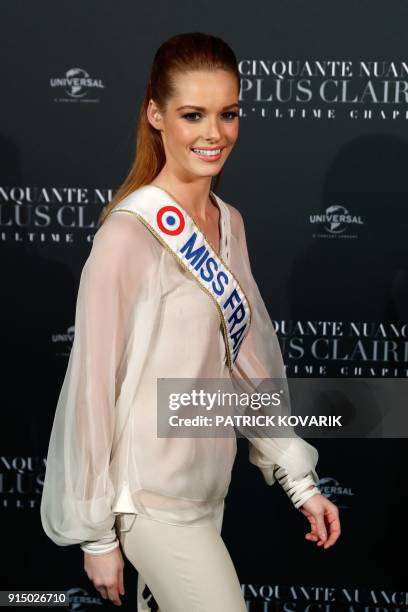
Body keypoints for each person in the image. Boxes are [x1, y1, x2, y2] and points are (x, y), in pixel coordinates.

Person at [40, 32, 341, 612]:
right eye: (193, 114)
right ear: (155, 114)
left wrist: (300, 481)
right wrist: (97, 534)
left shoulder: (229, 224)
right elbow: (91, 389)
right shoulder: (127, 235)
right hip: (149, 500)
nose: (214, 134)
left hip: (205, 490)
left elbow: (246, 368)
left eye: (228, 114)